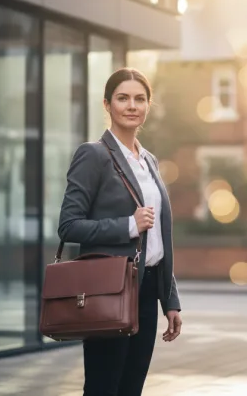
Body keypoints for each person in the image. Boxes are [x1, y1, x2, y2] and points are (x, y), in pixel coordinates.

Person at [58, 67, 182, 396]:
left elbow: (159, 239)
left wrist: (170, 299)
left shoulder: (149, 161)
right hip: (109, 290)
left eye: (140, 99)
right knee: (103, 387)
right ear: (107, 104)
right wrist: (129, 224)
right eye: (123, 98)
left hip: (147, 287)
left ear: (148, 106)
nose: (131, 105)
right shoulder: (93, 154)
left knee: (131, 388)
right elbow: (69, 225)